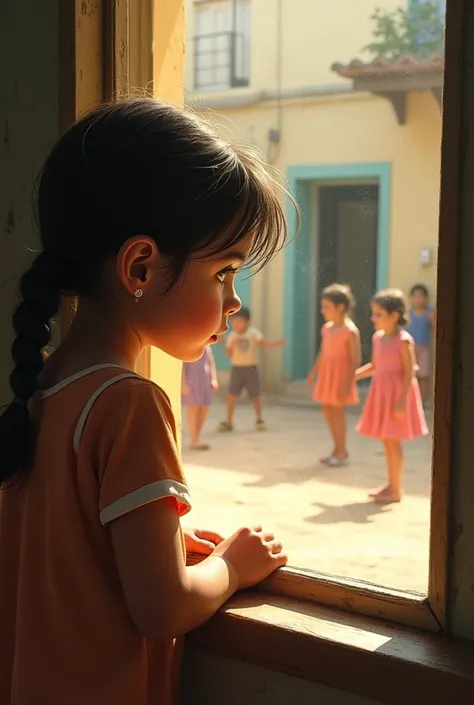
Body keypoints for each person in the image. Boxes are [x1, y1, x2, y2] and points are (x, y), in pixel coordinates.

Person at [0, 99, 290, 705]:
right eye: (224, 273)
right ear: (140, 267)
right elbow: (164, 609)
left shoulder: (43, 388)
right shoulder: (129, 405)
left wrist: (157, 548)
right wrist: (234, 566)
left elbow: (70, 565)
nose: (233, 302)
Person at [356, 289, 428, 504]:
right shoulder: (378, 338)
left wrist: (400, 403)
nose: (373, 318)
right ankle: (391, 484)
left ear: (394, 315)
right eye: (373, 313)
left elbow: (409, 373)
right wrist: (354, 376)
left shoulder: (404, 340)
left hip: (397, 396)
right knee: (386, 441)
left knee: (393, 442)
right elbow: (375, 366)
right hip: (381, 393)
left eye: (378, 314)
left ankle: (396, 489)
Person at [306, 284, 361, 467]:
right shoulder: (326, 328)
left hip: (340, 377)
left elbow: (355, 360)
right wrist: (314, 372)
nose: (323, 311)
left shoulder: (350, 330)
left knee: (337, 412)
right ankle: (336, 450)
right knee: (327, 409)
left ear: (341, 307)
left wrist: (348, 382)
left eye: (327, 307)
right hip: (327, 375)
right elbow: (322, 353)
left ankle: (341, 450)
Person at [217, 307, 286, 432]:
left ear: (248, 321)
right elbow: (228, 354)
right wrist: (231, 345)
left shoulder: (253, 333)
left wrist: (277, 343)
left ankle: (259, 419)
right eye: (234, 322)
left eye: (240, 321)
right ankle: (228, 422)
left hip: (251, 368)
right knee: (231, 396)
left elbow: (263, 343)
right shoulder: (232, 336)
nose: (236, 324)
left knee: (255, 396)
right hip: (237, 369)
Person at [182, 346, 217, 450]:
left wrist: (214, 379)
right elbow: (182, 366)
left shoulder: (207, 346)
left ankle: (197, 437)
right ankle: (194, 439)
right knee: (193, 408)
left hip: (205, 380)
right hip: (191, 381)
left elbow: (211, 363)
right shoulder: (187, 345)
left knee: (205, 407)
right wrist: (183, 384)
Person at [406, 283, 436, 405]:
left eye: (421, 296)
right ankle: (412, 401)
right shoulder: (409, 313)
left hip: (424, 348)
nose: (418, 299)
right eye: (415, 296)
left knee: (423, 375)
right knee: (412, 375)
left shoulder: (430, 313)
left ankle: (422, 401)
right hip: (410, 348)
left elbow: (435, 329)